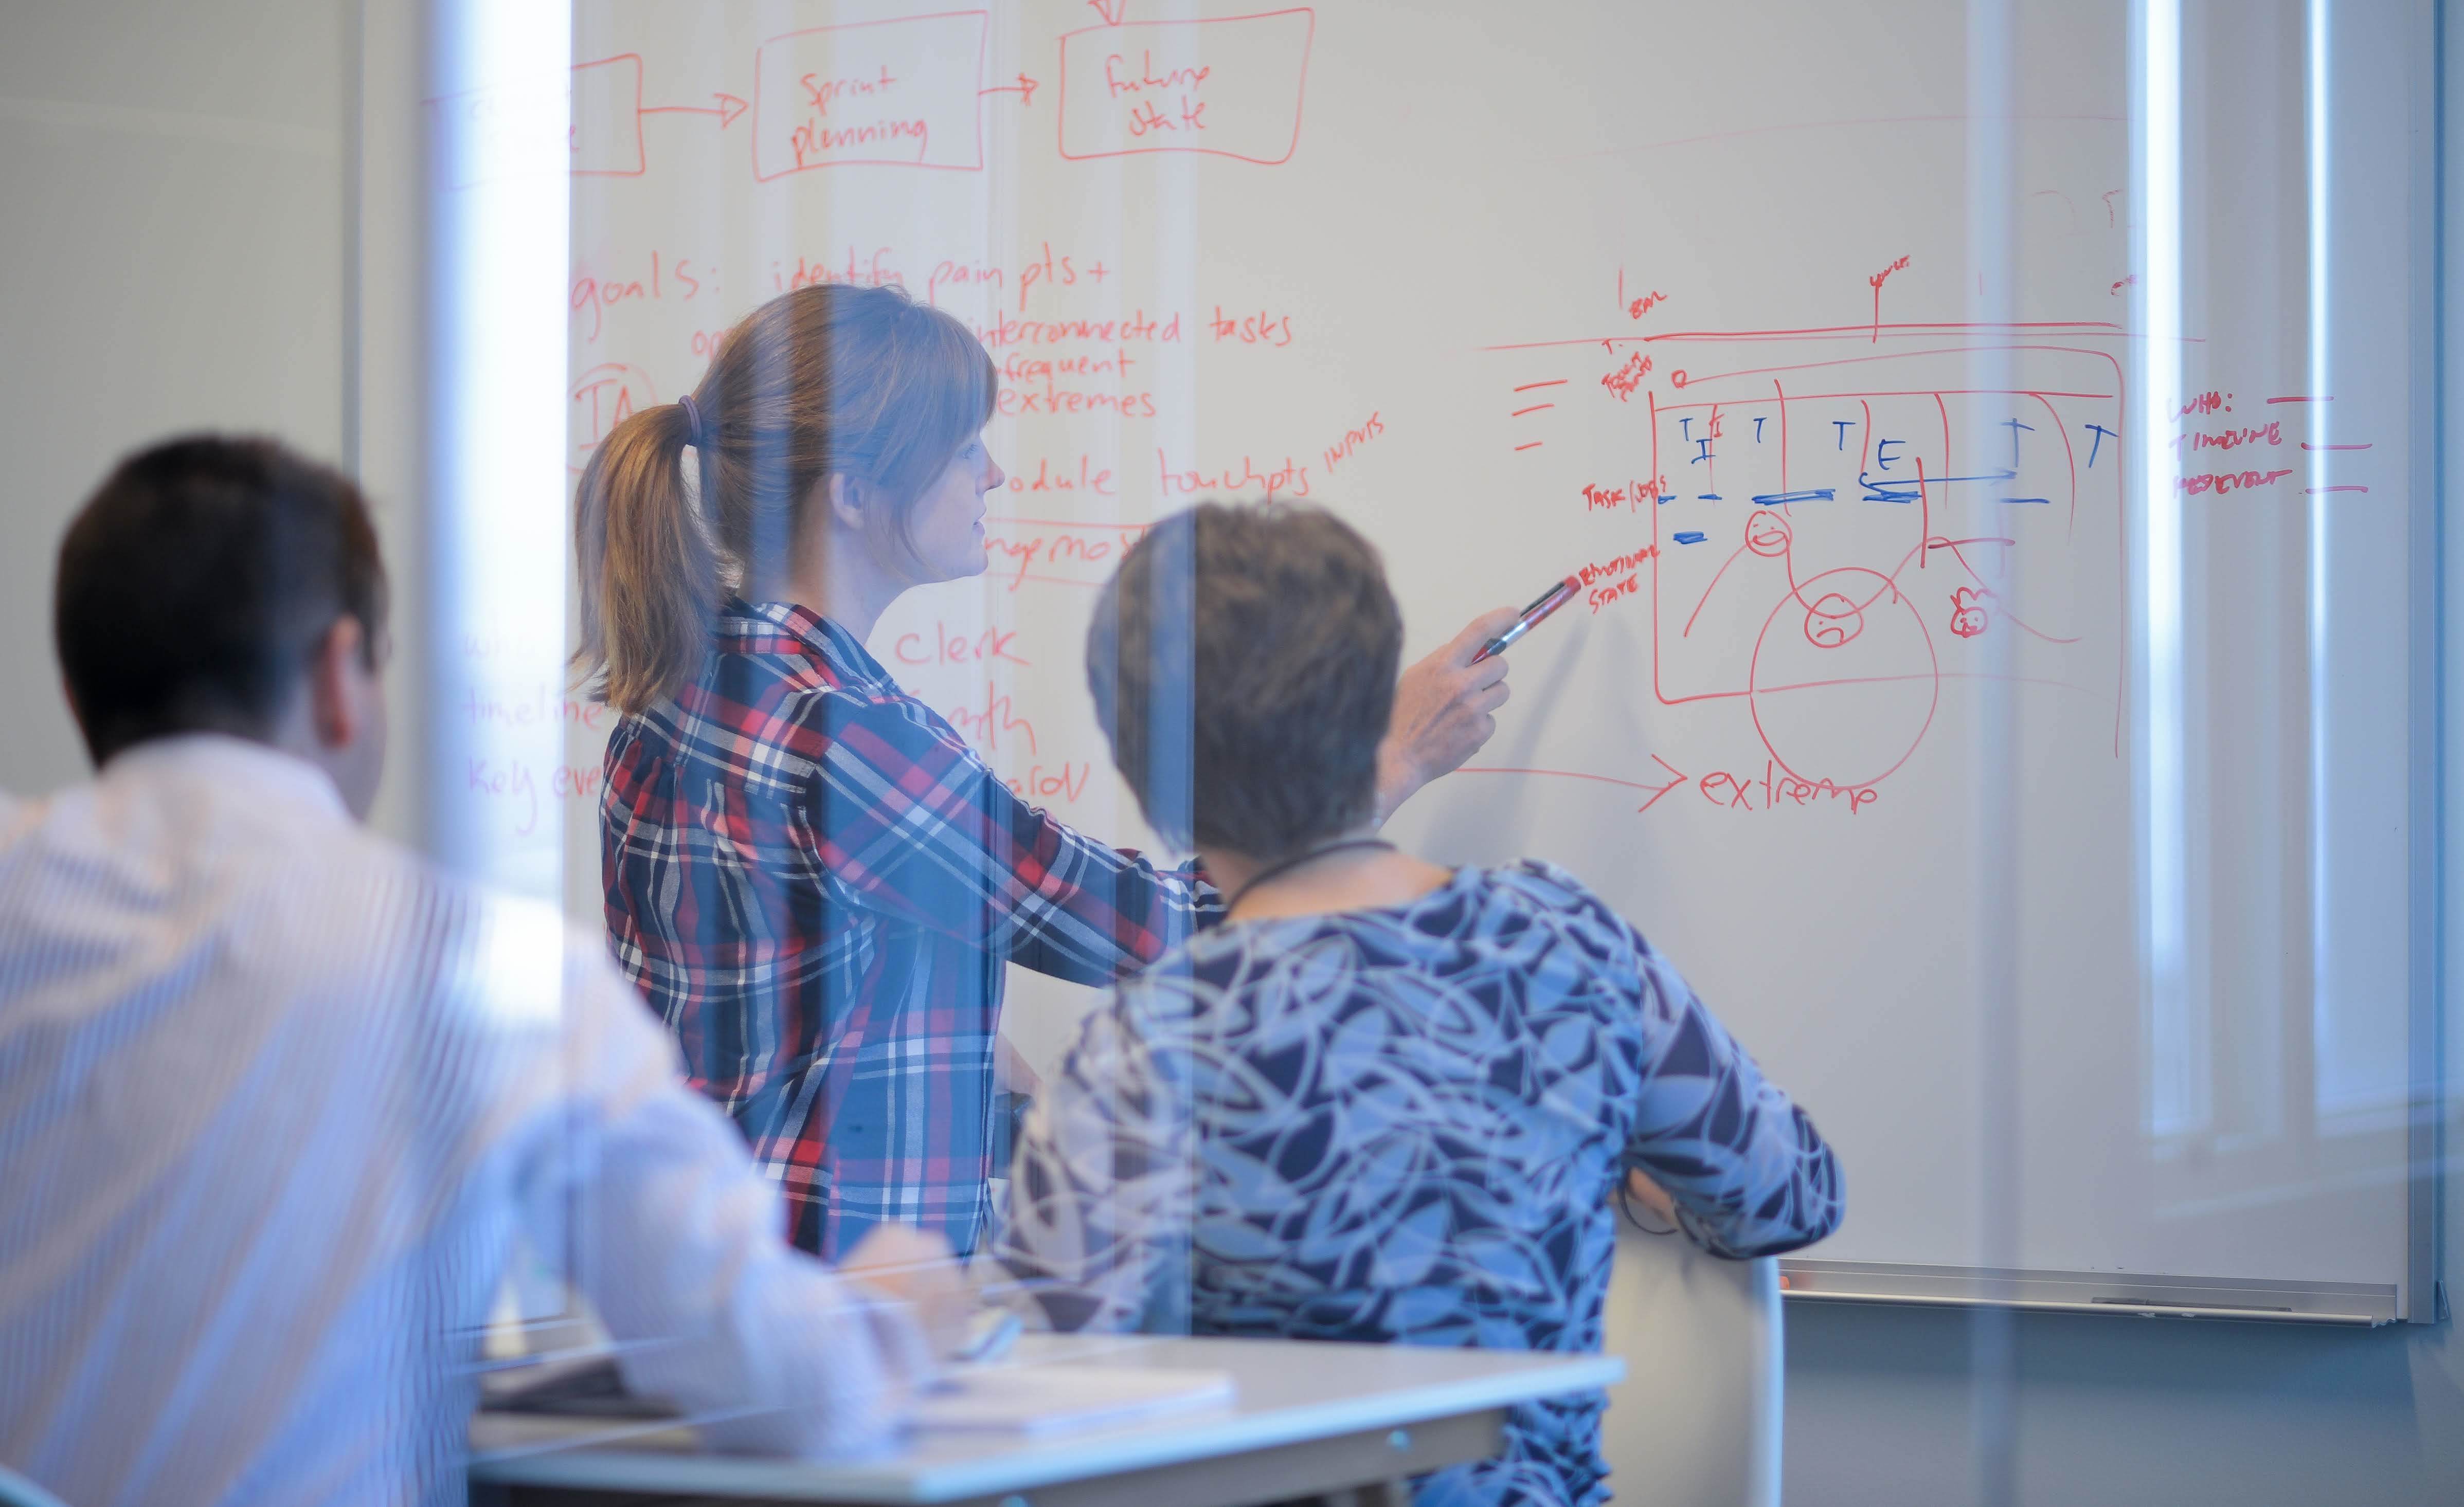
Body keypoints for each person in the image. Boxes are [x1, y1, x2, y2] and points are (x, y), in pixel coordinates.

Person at [0, 437, 965, 1507]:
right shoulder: (482, 968)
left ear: (76, 699)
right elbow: (792, 1388)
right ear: (339, 676)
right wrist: (888, 1304)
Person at [574, 283, 1516, 1261]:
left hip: (702, 1286)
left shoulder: (677, 698)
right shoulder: (846, 732)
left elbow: (779, 1024)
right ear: (852, 494)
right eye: (963, 449)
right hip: (840, 1321)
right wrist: (1389, 760)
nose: (995, 476)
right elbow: (1162, 924)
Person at [994, 502, 1845, 1507]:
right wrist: (1597, 1151)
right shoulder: (1572, 946)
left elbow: (1037, 1409)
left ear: (1144, 772)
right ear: (1374, 708)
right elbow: (1790, 1197)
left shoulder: (1147, 1044)